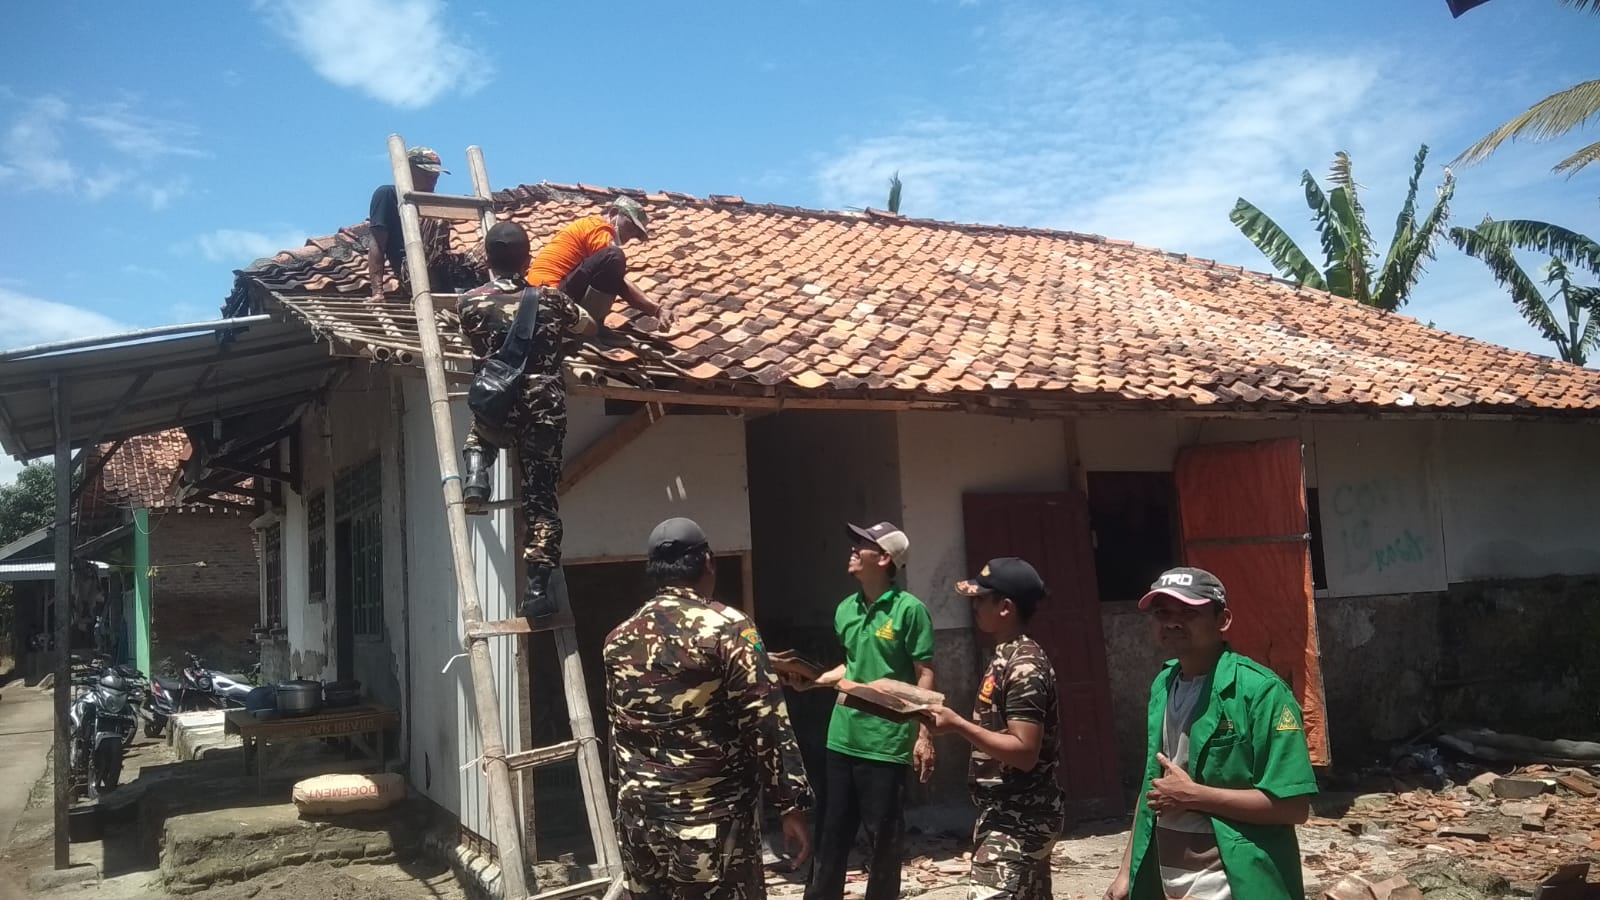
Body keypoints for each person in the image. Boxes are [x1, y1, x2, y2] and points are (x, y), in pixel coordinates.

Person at [603, 517, 813, 900]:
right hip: (709, 824)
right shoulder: (728, 628)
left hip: (638, 822)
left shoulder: (619, 637)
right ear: (708, 562)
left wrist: (621, 797)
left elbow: (618, 729)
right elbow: (767, 723)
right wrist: (791, 804)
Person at [1103, 568, 1317, 900]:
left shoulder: (1260, 692)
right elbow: (1154, 785)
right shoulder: (1164, 683)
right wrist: (1125, 873)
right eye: (1162, 613)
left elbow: (1292, 807)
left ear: (1223, 620)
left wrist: (1194, 796)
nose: (1172, 622)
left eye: (1189, 612)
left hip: (1233, 883)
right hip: (1172, 883)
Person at [455, 221, 596, 620]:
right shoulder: (551, 300)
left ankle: (478, 474)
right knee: (541, 501)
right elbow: (588, 324)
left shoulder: (468, 303)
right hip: (543, 408)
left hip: (498, 402)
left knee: (479, 430)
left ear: (487, 259)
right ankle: (536, 591)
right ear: (527, 258)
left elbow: (476, 342)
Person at [789, 521, 935, 900]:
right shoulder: (845, 610)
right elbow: (850, 667)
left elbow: (925, 674)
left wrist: (923, 733)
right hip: (842, 739)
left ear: (885, 558)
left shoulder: (910, 611)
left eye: (863, 545)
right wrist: (814, 680)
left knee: (883, 842)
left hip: (885, 744)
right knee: (829, 836)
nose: (853, 550)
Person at [923, 558, 1063, 900]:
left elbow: (1024, 751)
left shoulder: (1025, 666)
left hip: (1019, 820)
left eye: (981, 599)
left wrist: (957, 724)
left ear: (1006, 607)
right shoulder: (1006, 655)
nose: (974, 606)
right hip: (1008, 814)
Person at [527, 197, 674, 333]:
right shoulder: (598, 228)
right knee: (614, 256)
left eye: (634, 234)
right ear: (614, 213)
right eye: (629, 227)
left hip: (542, 295)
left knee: (612, 260)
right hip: (549, 296)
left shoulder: (589, 228)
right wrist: (657, 310)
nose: (629, 236)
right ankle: (590, 329)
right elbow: (619, 282)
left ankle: (587, 323)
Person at [366, 146, 473, 302]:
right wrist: (378, 291)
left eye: (435, 175)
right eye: (426, 174)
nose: (433, 180)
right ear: (409, 171)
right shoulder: (388, 195)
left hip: (440, 271)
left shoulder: (433, 203)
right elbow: (377, 244)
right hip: (412, 268)